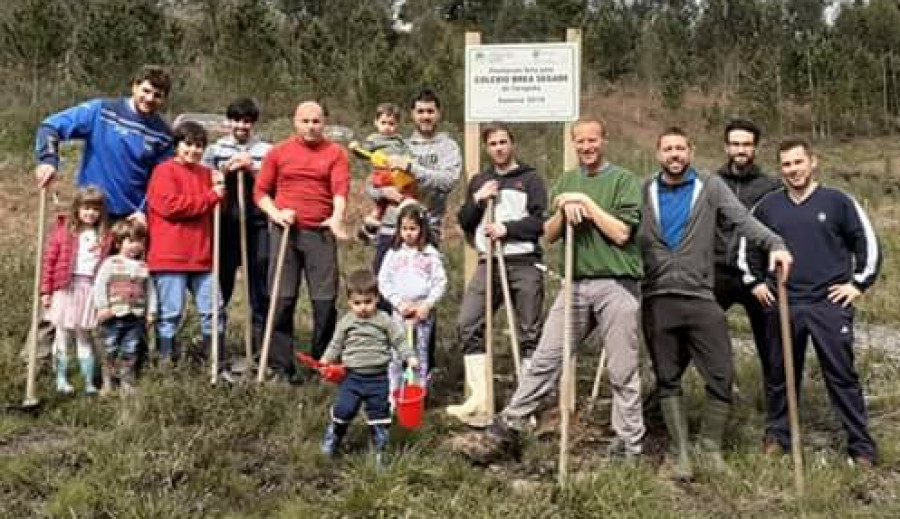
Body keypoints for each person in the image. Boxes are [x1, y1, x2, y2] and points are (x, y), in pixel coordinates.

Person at [451, 119, 646, 463]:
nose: (586, 147)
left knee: (622, 370)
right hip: (576, 284)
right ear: (574, 144)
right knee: (544, 359)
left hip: (617, 284)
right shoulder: (566, 181)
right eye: (580, 142)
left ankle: (629, 445)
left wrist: (585, 203)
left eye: (592, 140)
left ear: (604, 140)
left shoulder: (624, 181)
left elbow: (621, 233)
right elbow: (551, 233)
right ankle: (508, 427)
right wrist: (563, 209)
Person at [636, 127, 792, 481]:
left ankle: (710, 449)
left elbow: (743, 220)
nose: (674, 155)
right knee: (667, 375)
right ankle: (679, 453)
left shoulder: (709, 186)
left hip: (701, 297)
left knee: (721, 373)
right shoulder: (644, 189)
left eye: (680, 148)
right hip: (658, 298)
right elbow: (624, 229)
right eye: (667, 149)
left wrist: (776, 243)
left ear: (690, 150)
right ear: (658, 154)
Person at [741, 138, 881, 467]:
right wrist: (755, 282)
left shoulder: (838, 201)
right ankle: (778, 436)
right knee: (780, 374)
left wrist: (858, 284)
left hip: (827, 304)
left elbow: (867, 245)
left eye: (798, 162)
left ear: (812, 162)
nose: (793, 170)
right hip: (784, 303)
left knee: (841, 374)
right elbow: (746, 247)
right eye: (787, 165)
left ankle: (860, 445)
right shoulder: (767, 206)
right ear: (780, 169)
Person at [448, 123, 547, 426]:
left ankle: (526, 405)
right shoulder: (480, 180)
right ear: (487, 148)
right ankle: (479, 398)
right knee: (468, 322)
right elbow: (464, 221)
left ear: (512, 144)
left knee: (529, 331)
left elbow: (540, 222)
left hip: (523, 262)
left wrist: (508, 229)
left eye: (503, 142)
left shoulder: (529, 179)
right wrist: (478, 200)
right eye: (493, 143)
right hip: (488, 262)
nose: (499, 148)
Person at [254, 101, 350, 379]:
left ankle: (323, 363)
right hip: (285, 233)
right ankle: (282, 366)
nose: (311, 126)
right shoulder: (279, 152)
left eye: (316, 121)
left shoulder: (335, 153)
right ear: (295, 122)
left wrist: (337, 217)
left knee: (324, 302)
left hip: (320, 233)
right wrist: (276, 214)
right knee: (282, 300)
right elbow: (260, 192)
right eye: (305, 121)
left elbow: (340, 190)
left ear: (324, 123)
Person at [34, 65, 174, 223]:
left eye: (157, 95)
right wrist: (48, 161)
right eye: (146, 91)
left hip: (130, 220)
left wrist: (144, 211)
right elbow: (50, 127)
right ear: (135, 86)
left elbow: (161, 181)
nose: (150, 99)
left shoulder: (163, 135)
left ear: (164, 99)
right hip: (90, 212)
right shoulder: (101, 111)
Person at [146, 121, 227, 374]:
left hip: (202, 256)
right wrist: (211, 196)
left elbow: (215, 210)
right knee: (170, 314)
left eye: (199, 146)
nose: (193, 150)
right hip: (170, 256)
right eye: (188, 144)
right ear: (177, 145)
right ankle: (165, 366)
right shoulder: (163, 172)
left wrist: (220, 190)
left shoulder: (206, 175)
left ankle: (213, 364)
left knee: (215, 310)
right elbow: (171, 207)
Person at [713, 118, 782, 407]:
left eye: (746, 144)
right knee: (693, 336)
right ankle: (672, 399)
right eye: (735, 144)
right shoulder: (710, 183)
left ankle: (777, 413)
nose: (741, 150)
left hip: (757, 279)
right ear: (727, 147)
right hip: (718, 274)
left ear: (755, 148)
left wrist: (768, 278)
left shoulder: (772, 187)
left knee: (771, 346)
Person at [319, 269, 418, 467]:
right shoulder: (347, 322)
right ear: (349, 302)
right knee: (344, 409)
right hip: (352, 378)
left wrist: (409, 356)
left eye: (368, 302)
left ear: (377, 298)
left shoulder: (384, 321)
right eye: (357, 303)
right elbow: (336, 344)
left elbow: (398, 340)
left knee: (379, 413)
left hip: (378, 378)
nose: (363, 307)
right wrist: (326, 360)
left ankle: (380, 449)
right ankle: (334, 436)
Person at [202, 97, 273, 370]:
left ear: (253, 123)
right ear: (228, 122)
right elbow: (206, 176)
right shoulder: (215, 149)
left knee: (259, 286)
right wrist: (224, 170)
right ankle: (214, 347)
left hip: (256, 224)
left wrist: (252, 167)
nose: (241, 126)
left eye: (246, 121)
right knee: (221, 286)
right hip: (226, 224)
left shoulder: (265, 149)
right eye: (236, 120)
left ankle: (258, 349)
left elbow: (273, 178)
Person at [371, 88, 462, 272]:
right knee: (383, 292)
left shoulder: (448, 147)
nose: (425, 116)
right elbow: (372, 183)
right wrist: (382, 192)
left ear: (438, 114)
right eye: (420, 111)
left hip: (426, 228)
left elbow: (448, 181)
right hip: (392, 228)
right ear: (413, 114)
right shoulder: (398, 145)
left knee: (420, 291)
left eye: (430, 111)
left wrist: (412, 168)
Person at [40, 186, 113, 395]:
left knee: (84, 335)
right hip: (66, 287)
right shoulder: (65, 232)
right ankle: (61, 379)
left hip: (89, 289)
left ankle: (88, 381)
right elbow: (50, 261)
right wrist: (46, 291)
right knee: (62, 333)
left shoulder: (105, 237)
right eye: (86, 208)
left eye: (95, 209)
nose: (90, 213)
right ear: (77, 209)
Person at [377, 203, 447, 397]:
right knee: (397, 353)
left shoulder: (430, 255)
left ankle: (418, 393)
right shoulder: (393, 254)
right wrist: (398, 303)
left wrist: (427, 305)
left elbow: (440, 282)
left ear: (421, 229)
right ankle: (394, 393)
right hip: (400, 312)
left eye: (413, 229)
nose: (408, 233)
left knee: (420, 354)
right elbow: (384, 281)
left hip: (422, 313)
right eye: (405, 229)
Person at [93, 220, 157, 396]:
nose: (135, 246)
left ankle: (126, 382)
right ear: (119, 243)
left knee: (131, 349)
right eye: (130, 241)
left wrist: (151, 311)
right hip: (113, 316)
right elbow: (99, 285)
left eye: (139, 241)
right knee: (109, 347)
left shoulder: (143, 267)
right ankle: (108, 383)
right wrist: (103, 307)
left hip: (135, 317)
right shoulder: (111, 263)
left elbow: (150, 290)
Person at [355, 103, 417, 242]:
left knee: (393, 201)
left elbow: (407, 155)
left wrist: (407, 160)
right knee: (384, 202)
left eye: (391, 123)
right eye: (383, 123)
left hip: (398, 174)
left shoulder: (399, 140)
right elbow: (364, 152)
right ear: (376, 122)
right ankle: (371, 228)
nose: (387, 127)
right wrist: (357, 149)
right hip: (382, 173)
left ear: (397, 124)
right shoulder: (374, 139)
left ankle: (371, 228)